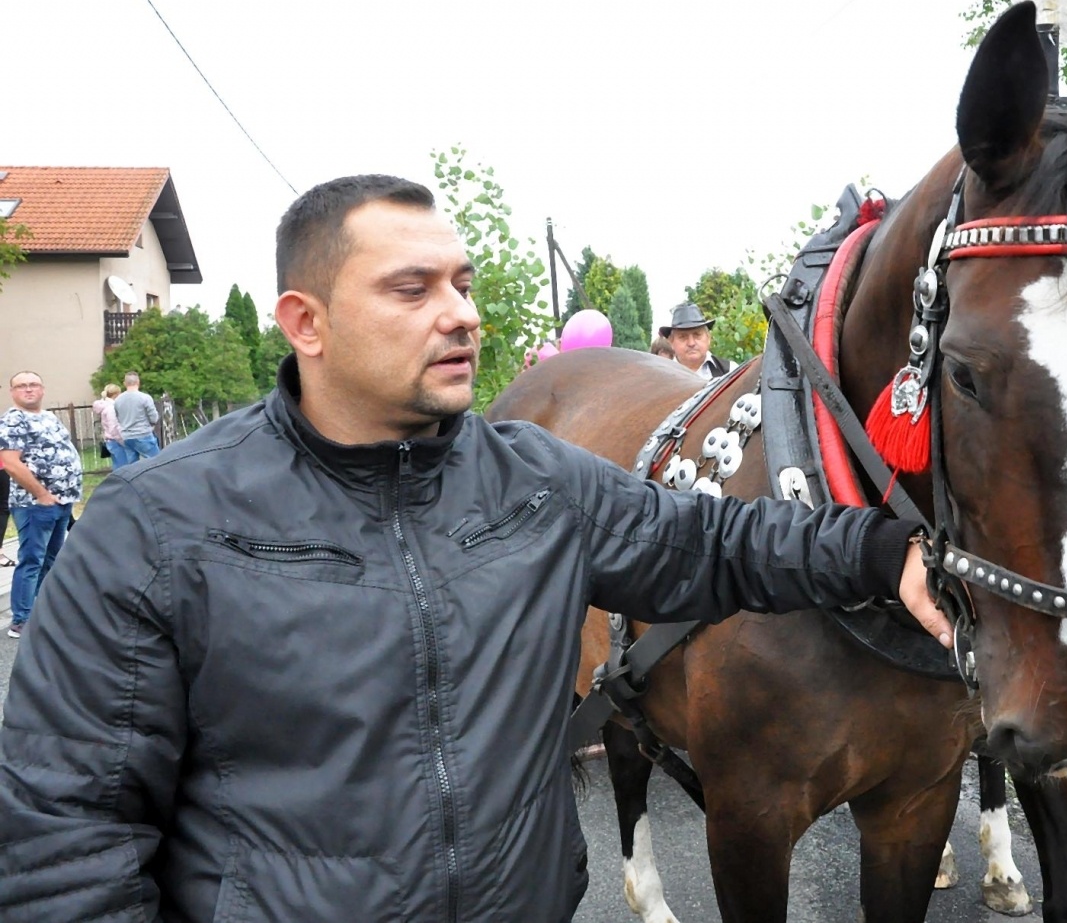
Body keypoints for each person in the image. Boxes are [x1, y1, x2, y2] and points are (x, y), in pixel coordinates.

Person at [0, 174, 949, 923]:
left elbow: (719, 540)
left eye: (462, 283)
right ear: (305, 323)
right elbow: (63, 839)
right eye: (411, 288)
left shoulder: (538, 478)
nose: (459, 312)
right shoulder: (150, 526)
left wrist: (882, 553)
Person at [0, 371, 82, 639]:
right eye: (21, 386)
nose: (28, 389)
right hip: (35, 504)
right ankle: (21, 621)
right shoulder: (13, 420)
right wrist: (41, 494)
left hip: (62, 501)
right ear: (12, 392)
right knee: (32, 560)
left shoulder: (47, 417)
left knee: (51, 558)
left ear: (42, 389)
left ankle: (43, 611)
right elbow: (11, 462)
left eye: (33, 384)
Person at [659, 301, 732, 379]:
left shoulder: (730, 371)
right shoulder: (661, 377)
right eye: (683, 337)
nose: (691, 343)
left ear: (708, 338)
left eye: (697, 335)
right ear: (671, 342)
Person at [113, 370, 162, 461]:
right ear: (138, 382)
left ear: (125, 383)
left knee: (133, 466)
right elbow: (154, 417)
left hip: (127, 437)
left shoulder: (118, 400)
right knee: (155, 462)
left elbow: (117, 418)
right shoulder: (145, 398)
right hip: (143, 434)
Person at [92, 382, 131, 469]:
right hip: (116, 440)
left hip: (110, 440)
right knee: (123, 467)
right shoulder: (111, 408)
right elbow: (114, 427)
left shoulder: (105, 406)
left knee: (117, 465)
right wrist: (123, 441)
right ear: (116, 394)